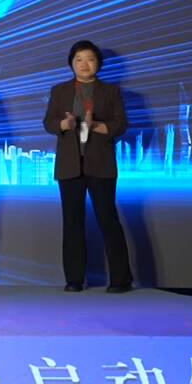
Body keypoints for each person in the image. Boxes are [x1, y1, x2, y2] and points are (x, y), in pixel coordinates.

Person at [45, 40, 134, 293]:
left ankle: (120, 280)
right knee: (72, 223)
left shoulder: (111, 91)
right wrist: (64, 124)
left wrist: (96, 125)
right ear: (71, 63)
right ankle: (74, 279)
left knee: (108, 220)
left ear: (99, 64)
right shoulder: (60, 90)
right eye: (79, 60)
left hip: (100, 164)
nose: (84, 64)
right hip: (69, 165)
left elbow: (120, 124)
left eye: (90, 59)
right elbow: (49, 122)